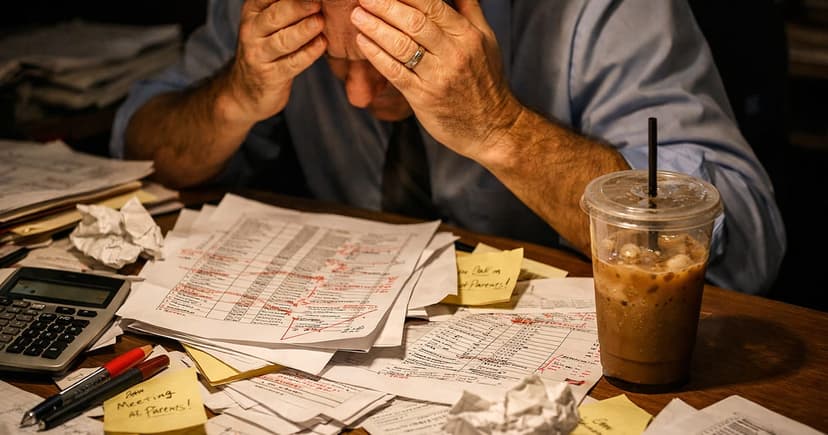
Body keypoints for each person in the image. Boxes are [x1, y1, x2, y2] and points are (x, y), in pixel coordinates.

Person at [110, 0, 785, 295]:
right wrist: (234, 96)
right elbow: (141, 149)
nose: (356, 95)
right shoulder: (267, 8)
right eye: (337, 60)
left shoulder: (597, 9)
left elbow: (747, 241)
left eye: (398, 58)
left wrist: (501, 127)